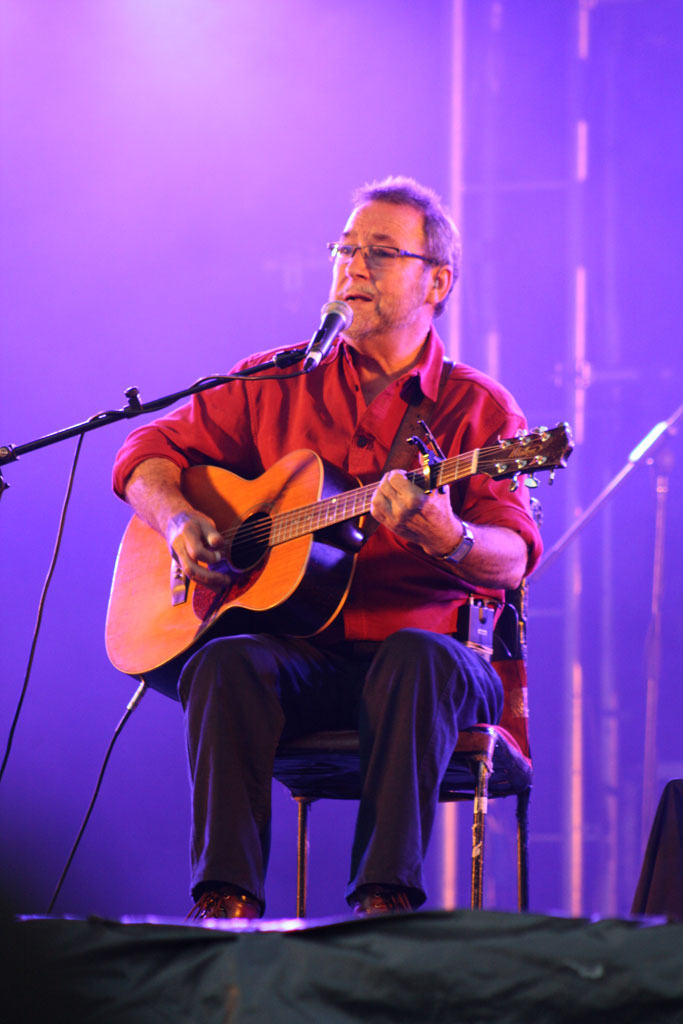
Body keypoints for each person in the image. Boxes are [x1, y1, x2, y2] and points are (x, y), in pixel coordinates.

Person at [112, 175, 542, 919]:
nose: (353, 268)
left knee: (415, 657)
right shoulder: (273, 380)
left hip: (432, 666)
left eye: (379, 253)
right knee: (223, 659)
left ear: (436, 280)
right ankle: (225, 910)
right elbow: (148, 449)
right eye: (344, 250)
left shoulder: (477, 406)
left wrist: (451, 535)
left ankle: (384, 906)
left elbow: (512, 557)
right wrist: (180, 522)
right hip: (306, 661)